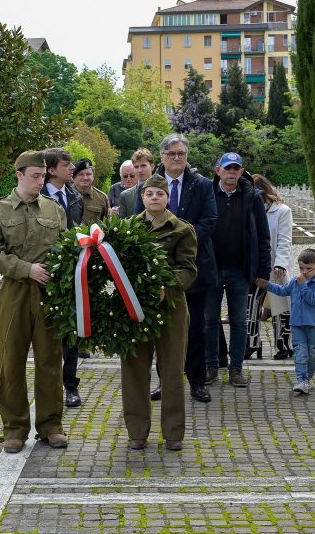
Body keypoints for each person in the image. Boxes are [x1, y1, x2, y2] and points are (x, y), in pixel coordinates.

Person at [0, 150, 68, 454]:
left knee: (49, 360)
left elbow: (67, 249)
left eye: (43, 176)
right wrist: (26, 269)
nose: (40, 182)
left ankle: (51, 425)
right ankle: (14, 428)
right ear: (19, 175)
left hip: (48, 293)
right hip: (16, 292)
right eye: (35, 176)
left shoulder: (55, 210)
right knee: (11, 360)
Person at [120, 174, 198, 451]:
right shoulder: (127, 227)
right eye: (149, 193)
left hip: (171, 309)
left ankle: (174, 433)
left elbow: (188, 269)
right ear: (142, 197)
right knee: (134, 370)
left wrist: (168, 287)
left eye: (160, 194)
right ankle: (137, 432)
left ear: (167, 198)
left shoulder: (182, 229)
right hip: (135, 310)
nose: (154, 198)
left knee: (173, 371)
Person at [151, 134, 217, 404]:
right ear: (162, 156)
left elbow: (210, 219)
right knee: (161, 329)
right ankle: (165, 382)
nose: (176, 158)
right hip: (159, 270)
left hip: (194, 267)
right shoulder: (152, 186)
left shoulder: (201, 185)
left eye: (181, 153)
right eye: (171, 153)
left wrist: (183, 241)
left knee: (195, 328)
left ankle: (197, 381)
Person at [205, 153, 270, 388]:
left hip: (240, 270)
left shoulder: (252, 198)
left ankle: (236, 369)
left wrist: (263, 270)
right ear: (218, 170)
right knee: (209, 320)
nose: (232, 172)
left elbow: (263, 236)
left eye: (236, 168)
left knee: (239, 321)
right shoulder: (207, 194)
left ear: (241, 172)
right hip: (211, 268)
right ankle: (211, 366)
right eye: (227, 168)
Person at [41, 147, 85, 408]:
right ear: (51, 169)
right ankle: (48, 384)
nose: (72, 169)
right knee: (47, 332)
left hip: (71, 271)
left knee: (71, 331)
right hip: (45, 271)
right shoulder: (38, 196)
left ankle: (70, 385)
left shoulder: (75, 196)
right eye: (66, 165)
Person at [257, 248, 315, 394]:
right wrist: (267, 285)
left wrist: (302, 285)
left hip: (313, 325)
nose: (304, 272)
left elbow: (312, 299)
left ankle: (308, 377)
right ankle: (302, 380)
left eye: (308, 268)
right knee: (300, 352)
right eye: (301, 268)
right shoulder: (295, 281)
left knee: (312, 353)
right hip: (296, 324)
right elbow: (282, 290)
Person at [251, 174, 295, 361]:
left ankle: (283, 345)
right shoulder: (248, 209)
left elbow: (284, 240)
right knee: (251, 307)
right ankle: (251, 344)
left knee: (281, 308)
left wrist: (281, 264)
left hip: (275, 265)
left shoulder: (282, 211)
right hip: (254, 266)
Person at [116, 148, 156, 218]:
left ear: (152, 166)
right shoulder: (125, 196)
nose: (140, 170)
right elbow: (122, 225)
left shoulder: (163, 191)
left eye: (143, 165)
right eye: (136, 167)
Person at [73, 158, 110, 225]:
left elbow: (106, 225)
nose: (85, 178)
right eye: (81, 174)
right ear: (73, 177)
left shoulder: (102, 198)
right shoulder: (65, 194)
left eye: (88, 174)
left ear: (93, 176)